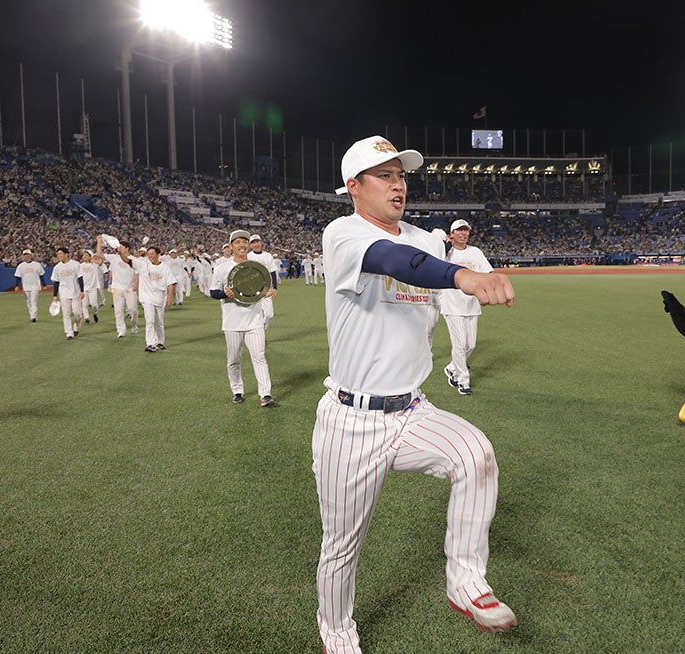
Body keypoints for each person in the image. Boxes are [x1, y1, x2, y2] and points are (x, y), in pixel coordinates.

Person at [313, 135, 517, 653]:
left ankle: (465, 581)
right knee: (342, 545)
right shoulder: (343, 232)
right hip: (351, 418)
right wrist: (462, 274)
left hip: (411, 409)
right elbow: (395, 260)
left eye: (401, 175)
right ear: (354, 186)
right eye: (384, 175)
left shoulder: (427, 240)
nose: (398, 184)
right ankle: (337, 632)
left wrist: (466, 274)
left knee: (476, 454)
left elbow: (421, 262)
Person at [209, 230, 277, 406]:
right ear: (231, 246)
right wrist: (224, 293)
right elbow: (213, 292)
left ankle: (265, 394)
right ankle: (237, 390)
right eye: (237, 242)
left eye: (245, 242)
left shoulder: (256, 268)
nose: (242, 245)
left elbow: (261, 289)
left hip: (254, 320)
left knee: (259, 357)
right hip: (232, 322)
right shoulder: (222, 268)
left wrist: (267, 292)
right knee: (233, 360)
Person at [440, 219, 494, 395]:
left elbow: (488, 272)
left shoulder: (475, 252)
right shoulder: (446, 253)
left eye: (466, 230)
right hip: (452, 305)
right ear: (452, 234)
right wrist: (443, 245)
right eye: (459, 230)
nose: (463, 233)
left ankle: (451, 368)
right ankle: (463, 380)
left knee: (470, 345)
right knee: (460, 344)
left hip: (471, 305)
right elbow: (432, 262)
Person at [133, 245, 176, 352]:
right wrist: (121, 252)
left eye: (152, 254)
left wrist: (169, 298)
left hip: (160, 297)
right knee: (150, 321)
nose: (150, 256)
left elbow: (171, 283)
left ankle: (160, 342)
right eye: (149, 254)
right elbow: (128, 260)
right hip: (147, 297)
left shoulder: (165, 267)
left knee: (159, 322)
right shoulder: (143, 264)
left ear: (158, 255)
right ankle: (150, 343)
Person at [96, 235, 139, 338]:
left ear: (127, 248)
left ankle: (134, 325)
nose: (118, 248)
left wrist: (136, 283)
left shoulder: (133, 259)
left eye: (121, 247)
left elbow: (138, 272)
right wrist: (99, 241)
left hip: (130, 288)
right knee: (118, 310)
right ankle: (121, 330)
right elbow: (99, 254)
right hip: (117, 288)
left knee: (133, 310)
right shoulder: (114, 258)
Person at [50, 247, 85, 340]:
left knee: (77, 313)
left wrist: (82, 291)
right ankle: (69, 332)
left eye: (61, 254)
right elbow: (56, 282)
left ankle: (77, 326)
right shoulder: (57, 267)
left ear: (66, 254)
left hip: (75, 292)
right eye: (58, 254)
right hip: (64, 292)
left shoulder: (76, 264)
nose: (59, 256)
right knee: (66, 313)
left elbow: (80, 278)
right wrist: (55, 295)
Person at [246, 234, 280, 330]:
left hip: (266, 289)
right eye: (253, 242)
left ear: (261, 243)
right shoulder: (248, 256)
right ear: (250, 245)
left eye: (257, 242)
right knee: (253, 315)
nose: (256, 244)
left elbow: (272, 271)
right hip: (253, 289)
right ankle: (256, 334)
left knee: (269, 315)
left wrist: (275, 288)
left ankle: (261, 331)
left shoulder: (267, 255)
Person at [13, 248, 44, 322]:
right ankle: (32, 316)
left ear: (30, 255)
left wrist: (44, 284)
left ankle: (33, 317)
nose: (26, 256)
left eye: (28, 255)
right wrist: (17, 286)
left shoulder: (37, 265)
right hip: (26, 285)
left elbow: (41, 275)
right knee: (29, 301)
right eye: (25, 255)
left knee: (33, 300)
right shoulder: (21, 266)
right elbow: (18, 276)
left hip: (35, 285)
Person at [79, 250, 102, 324]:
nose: (84, 256)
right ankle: (86, 318)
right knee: (84, 304)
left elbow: (100, 262)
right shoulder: (80, 266)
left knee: (94, 304)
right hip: (84, 288)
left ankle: (95, 313)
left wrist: (93, 260)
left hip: (93, 287)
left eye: (86, 255)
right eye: (83, 255)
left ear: (90, 257)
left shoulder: (94, 265)